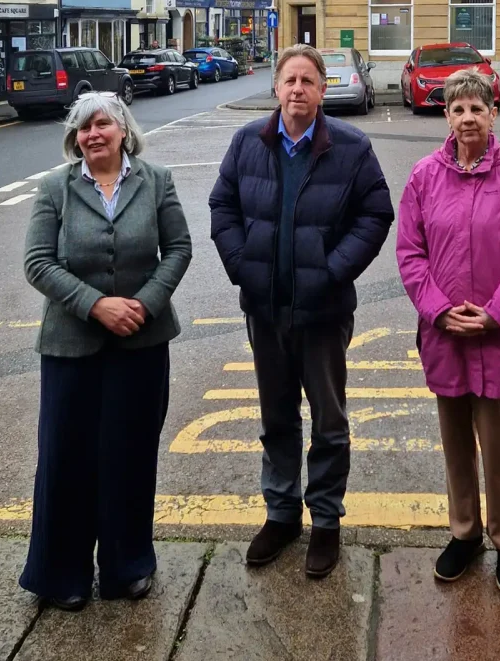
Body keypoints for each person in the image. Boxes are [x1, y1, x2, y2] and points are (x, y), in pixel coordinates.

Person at [209, 44, 394, 579]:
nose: (297, 90)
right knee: (276, 417)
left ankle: (327, 522)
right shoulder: (247, 142)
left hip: (324, 312)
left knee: (329, 422)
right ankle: (282, 513)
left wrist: (333, 270)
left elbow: (376, 213)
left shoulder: (352, 148)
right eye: (289, 80)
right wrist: (243, 265)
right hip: (265, 310)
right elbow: (222, 206)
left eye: (308, 81)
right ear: (276, 88)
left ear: (322, 89)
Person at [21, 92, 192, 610]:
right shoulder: (56, 187)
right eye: (82, 128)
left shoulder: (156, 180)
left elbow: (179, 249)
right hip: (70, 345)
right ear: (75, 139)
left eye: (102, 124)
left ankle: (127, 567)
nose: (92, 134)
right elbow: (37, 262)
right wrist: (97, 306)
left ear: (123, 130)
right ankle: (60, 574)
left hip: (141, 341)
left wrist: (143, 304)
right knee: (65, 458)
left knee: (130, 455)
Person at [396, 69, 500, 595]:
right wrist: (439, 310)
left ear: (493, 114)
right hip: (446, 334)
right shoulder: (423, 176)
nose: (467, 119)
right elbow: (411, 254)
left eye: (476, 109)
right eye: (457, 109)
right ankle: (465, 534)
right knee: (456, 443)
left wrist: (495, 313)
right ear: (446, 116)